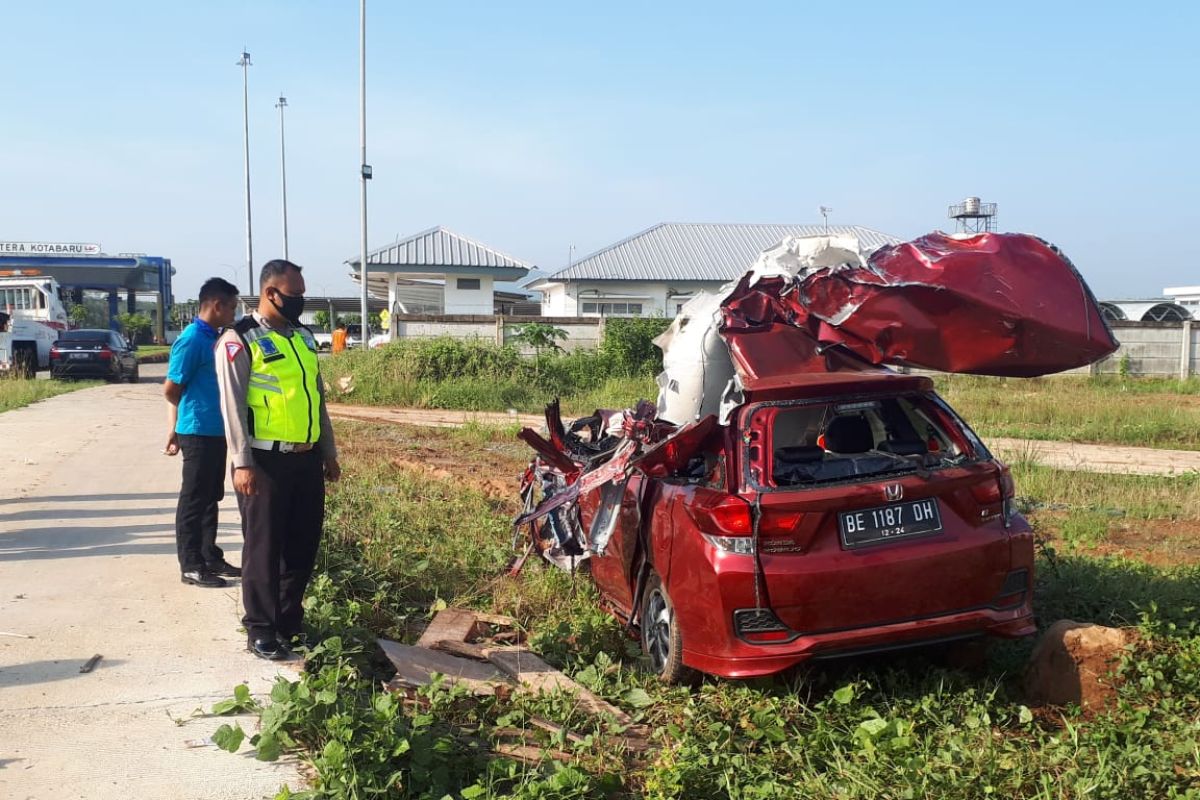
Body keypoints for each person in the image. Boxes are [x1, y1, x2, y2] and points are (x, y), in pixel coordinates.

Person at [215, 259, 341, 660]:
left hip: (305, 461)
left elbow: (316, 399)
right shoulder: (239, 339)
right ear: (271, 293)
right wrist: (242, 462)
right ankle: (260, 628)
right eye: (295, 295)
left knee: (302, 546)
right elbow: (232, 406)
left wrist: (328, 452)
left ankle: (289, 622)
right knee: (264, 548)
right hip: (265, 463)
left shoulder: (302, 337)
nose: (300, 302)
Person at [164, 277, 242, 588]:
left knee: (211, 497)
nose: (234, 314)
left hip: (216, 431)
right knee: (194, 499)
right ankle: (191, 564)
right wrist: (178, 425)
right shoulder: (193, 339)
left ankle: (210, 556)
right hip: (197, 430)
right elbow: (171, 389)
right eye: (232, 308)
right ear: (216, 305)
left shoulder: (216, 337)